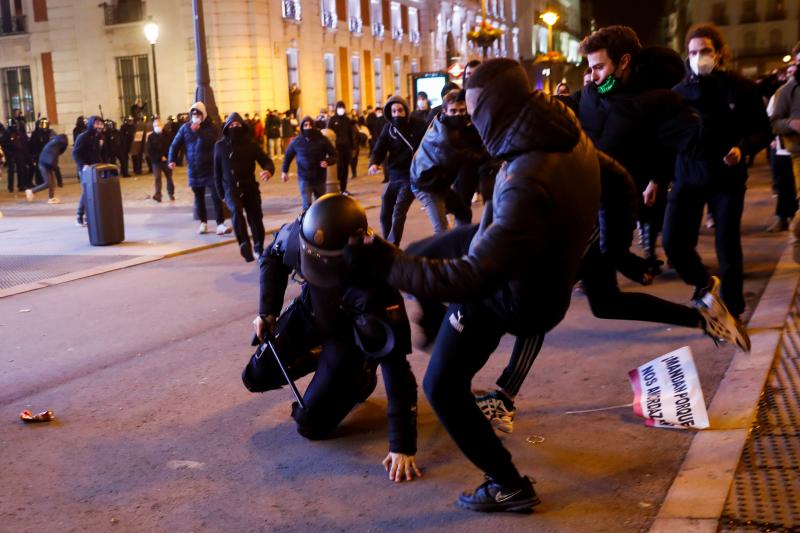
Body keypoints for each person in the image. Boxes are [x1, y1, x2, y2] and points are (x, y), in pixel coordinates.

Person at [350, 59, 601, 512]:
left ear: (500, 106)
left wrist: (388, 265)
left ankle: (507, 483)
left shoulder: (528, 175)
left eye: (476, 111)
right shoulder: (563, 134)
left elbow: (472, 277)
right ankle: (431, 326)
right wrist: (604, 243)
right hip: (520, 256)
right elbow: (619, 182)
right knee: (427, 247)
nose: (474, 121)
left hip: (513, 293)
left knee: (441, 387)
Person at [251, 193, 420, 482]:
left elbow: (396, 366)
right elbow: (272, 257)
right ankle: (320, 356)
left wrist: (402, 444)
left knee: (311, 426)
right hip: (312, 313)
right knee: (256, 376)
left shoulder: (378, 285)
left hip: (349, 341)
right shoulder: (300, 234)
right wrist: (268, 311)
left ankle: (363, 372)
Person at [664, 23, 771, 319]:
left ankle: (732, 312)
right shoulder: (678, 93)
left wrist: (743, 148)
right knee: (672, 241)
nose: (699, 57)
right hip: (687, 175)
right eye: (693, 52)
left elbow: (762, 131)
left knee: (727, 246)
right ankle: (703, 282)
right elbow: (667, 137)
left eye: (705, 51)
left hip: (727, 180)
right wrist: (656, 179)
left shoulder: (741, 88)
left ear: (720, 53)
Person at [411, 89, 485, 233]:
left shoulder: (442, 120)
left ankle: (458, 246)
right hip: (425, 184)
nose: (458, 114)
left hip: (438, 181)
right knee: (441, 229)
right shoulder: (445, 137)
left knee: (464, 213)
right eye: (453, 111)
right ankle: (444, 253)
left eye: (462, 110)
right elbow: (465, 157)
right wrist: (488, 153)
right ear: (445, 111)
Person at [214, 113, 275, 262]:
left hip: (250, 187)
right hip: (230, 188)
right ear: (227, 127)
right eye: (232, 125)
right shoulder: (220, 146)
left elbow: (266, 161)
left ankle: (258, 247)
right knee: (236, 212)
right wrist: (221, 194)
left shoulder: (251, 144)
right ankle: (244, 244)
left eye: (238, 125)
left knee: (255, 218)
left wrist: (269, 170)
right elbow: (216, 172)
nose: (235, 127)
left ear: (243, 126)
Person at [368, 96, 426, 246]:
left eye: (400, 110)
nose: (397, 114)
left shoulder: (418, 126)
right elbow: (379, 149)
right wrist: (374, 163)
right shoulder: (389, 129)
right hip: (394, 177)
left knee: (398, 213)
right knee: (385, 213)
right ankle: (388, 245)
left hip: (412, 176)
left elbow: (428, 145)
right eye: (393, 111)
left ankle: (393, 246)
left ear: (406, 111)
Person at [169, 101, 232, 235]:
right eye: (193, 114)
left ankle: (220, 223)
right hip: (194, 169)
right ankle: (203, 223)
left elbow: (211, 141)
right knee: (199, 198)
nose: (195, 117)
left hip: (210, 169)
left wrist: (198, 132)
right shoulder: (185, 128)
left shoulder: (211, 127)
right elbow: (175, 144)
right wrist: (171, 159)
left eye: (198, 114)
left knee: (216, 196)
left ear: (203, 115)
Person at [766, 64, 799, 232]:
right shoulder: (782, 93)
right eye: (791, 71)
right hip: (786, 150)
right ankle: (783, 219)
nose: (793, 74)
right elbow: (772, 121)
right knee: (784, 185)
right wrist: (790, 124)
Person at [281, 116, 337, 210]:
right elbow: (288, 156)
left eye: (310, 125)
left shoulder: (322, 139)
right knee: (307, 205)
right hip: (304, 178)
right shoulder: (297, 141)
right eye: (305, 125)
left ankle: (320, 223)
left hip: (319, 178)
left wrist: (328, 161)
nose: (308, 127)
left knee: (321, 204)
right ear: (302, 127)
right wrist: (284, 171)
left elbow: (334, 155)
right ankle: (306, 223)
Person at [72, 116, 108, 226]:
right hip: (86, 169)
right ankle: (79, 216)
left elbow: (97, 153)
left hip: (96, 168)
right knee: (87, 192)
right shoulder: (83, 137)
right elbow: (75, 153)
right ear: (91, 124)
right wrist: (83, 165)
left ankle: (90, 217)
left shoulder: (98, 136)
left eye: (101, 124)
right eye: (96, 123)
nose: (99, 126)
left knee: (95, 192)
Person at [26, 133, 67, 204]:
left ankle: (51, 198)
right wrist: (55, 168)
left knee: (52, 183)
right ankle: (31, 191)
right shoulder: (56, 146)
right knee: (48, 183)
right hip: (44, 164)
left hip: (46, 164)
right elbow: (53, 159)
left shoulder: (54, 143)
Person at [327, 101, 357, 194]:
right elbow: (328, 133)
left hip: (346, 148)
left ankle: (343, 188)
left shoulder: (347, 120)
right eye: (339, 107)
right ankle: (337, 187)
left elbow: (351, 134)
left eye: (342, 107)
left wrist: (353, 148)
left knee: (345, 168)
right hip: (336, 149)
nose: (341, 109)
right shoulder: (332, 120)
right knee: (338, 168)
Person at [146, 117, 175, 203]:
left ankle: (171, 193)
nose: (157, 126)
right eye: (155, 125)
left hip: (166, 160)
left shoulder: (167, 135)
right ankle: (158, 195)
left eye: (159, 124)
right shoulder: (151, 137)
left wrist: (166, 156)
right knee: (157, 177)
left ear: (162, 125)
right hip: (156, 161)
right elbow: (150, 150)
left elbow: (170, 147)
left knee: (169, 177)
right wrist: (159, 157)